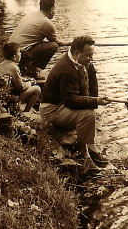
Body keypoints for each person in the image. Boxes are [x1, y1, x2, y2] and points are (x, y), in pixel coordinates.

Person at [39, 35, 110, 170]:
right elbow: (70, 101)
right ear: (77, 53)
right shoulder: (67, 69)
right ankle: (85, 155)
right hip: (52, 110)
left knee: (92, 111)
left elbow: (92, 88)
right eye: (89, 55)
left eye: (92, 54)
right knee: (88, 114)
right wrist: (94, 102)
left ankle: (92, 148)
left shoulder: (82, 64)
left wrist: (94, 100)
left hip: (63, 105)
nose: (91, 58)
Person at [9, 0, 71, 78]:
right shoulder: (46, 22)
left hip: (11, 51)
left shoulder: (32, 14)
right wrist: (72, 42)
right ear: (52, 9)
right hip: (21, 53)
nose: (55, 11)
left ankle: (24, 67)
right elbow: (56, 43)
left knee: (39, 43)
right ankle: (33, 70)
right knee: (53, 46)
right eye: (55, 9)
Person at [0, 42, 41, 112]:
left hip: (3, 95)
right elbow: (21, 87)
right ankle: (26, 111)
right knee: (37, 89)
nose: (21, 54)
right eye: (19, 52)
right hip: (12, 97)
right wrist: (30, 83)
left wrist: (24, 79)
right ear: (14, 57)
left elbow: (13, 77)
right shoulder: (14, 67)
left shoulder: (2, 65)